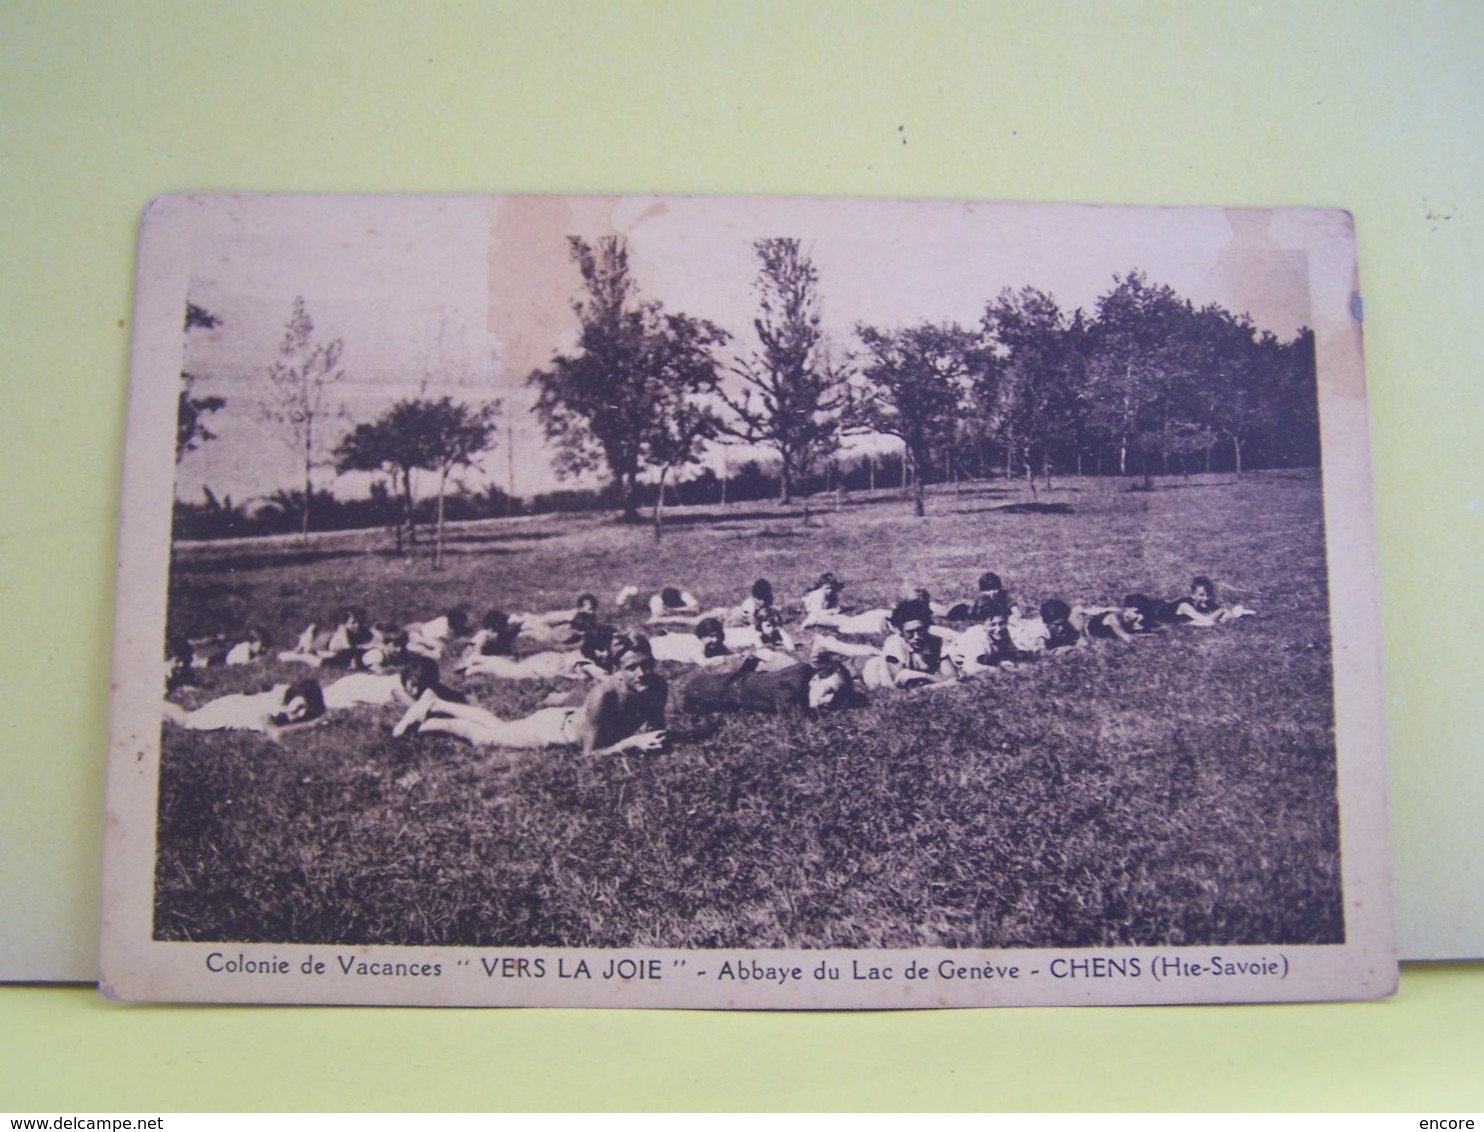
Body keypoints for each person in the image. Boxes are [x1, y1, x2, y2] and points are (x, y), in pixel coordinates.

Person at [394, 638, 668, 756]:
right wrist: (630, 744)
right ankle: (431, 723)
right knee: (486, 737)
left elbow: (656, 727)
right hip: (552, 731)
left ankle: (436, 703)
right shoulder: (603, 695)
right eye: (632, 668)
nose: (642, 673)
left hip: (564, 718)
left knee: (499, 726)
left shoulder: (657, 686)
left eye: (646, 665)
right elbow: (589, 754)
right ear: (618, 672)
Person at [679, 656, 860, 715]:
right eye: (828, 691)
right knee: (695, 698)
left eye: (835, 697)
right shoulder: (793, 685)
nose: (829, 699)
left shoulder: (805, 675)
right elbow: (790, 713)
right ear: (815, 679)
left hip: (739, 682)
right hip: (719, 691)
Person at [162, 679, 326, 737]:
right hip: (227, 711)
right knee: (187, 720)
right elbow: (275, 734)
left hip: (237, 702)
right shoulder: (271, 712)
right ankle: (160, 705)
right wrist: (311, 725)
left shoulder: (283, 702)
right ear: (289, 700)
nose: (301, 713)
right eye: (299, 707)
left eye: (306, 711)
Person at [458, 624, 620, 681]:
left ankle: (479, 660)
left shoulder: (587, 655)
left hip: (549, 660)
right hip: (546, 666)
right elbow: (602, 677)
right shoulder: (588, 663)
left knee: (512, 667)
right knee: (512, 672)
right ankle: (476, 666)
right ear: (598, 650)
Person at [861, 599, 961, 689]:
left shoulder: (938, 641)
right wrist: (934, 680)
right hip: (874, 671)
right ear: (899, 631)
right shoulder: (894, 642)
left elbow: (952, 677)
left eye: (920, 630)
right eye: (910, 632)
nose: (916, 637)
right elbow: (900, 680)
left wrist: (932, 682)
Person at [947, 599, 1028, 675]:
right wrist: (997, 667)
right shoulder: (977, 636)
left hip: (985, 659)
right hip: (954, 662)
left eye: (1002, 623)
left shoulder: (1003, 632)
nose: (998, 628)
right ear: (983, 624)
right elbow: (970, 668)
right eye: (992, 625)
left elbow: (1012, 652)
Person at [277, 607, 372, 668]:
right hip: (320, 646)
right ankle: (299, 648)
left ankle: (299, 648)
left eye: (359, 622)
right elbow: (347, 646)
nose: (357, 625)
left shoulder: (361, 631)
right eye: (353, 622)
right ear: (345, 623)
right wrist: (366, 647)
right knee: (307, 650)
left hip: (329, 651)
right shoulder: (342, 629)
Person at [1168, 576, 1257, 627]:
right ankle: (1240, 614)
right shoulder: (1184, 605)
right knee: (1207, 619)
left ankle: (1241, 614)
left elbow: (1225, 614)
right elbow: (1208, 622)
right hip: (1156, 616)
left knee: (1202, 619)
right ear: (1192, 595)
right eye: (1201, 595)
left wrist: (1226, 615)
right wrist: (1221, 611)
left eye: (1208, 595)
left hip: (1182, 622)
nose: (1206, 598)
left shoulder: (1202, 604)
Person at [648, 618, 733, 665]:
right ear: (702, 636)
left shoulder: (711, 644)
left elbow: (725, 650)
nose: (715, 640)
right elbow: (703, 663)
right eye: (711, 636)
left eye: (717, 636)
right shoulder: (697, 646)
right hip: (657, 647)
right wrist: (722, 658)